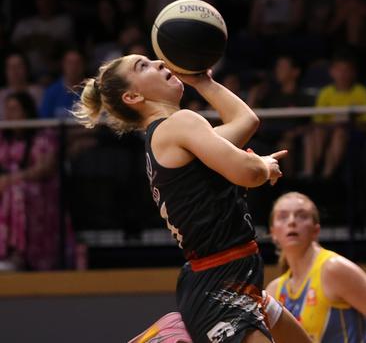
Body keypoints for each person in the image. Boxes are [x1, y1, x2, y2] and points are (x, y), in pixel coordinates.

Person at [72, 54, 311, 343]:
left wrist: (203, 81)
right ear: (133, 96)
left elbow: (245, 121)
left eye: (152, 59)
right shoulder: (179, 124)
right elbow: (247, 173)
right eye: (143, 66)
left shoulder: (174, 134)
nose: (159, 63)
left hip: (232, 280)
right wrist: (262, 166)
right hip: (219, 285)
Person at [266, 192, 366, 343]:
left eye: (301, 215)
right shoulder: (274, 291)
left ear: (316, 230)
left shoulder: (333, 269)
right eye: (283, 216)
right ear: (273, 233)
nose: (292, 221)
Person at [0, 91, 61, 271]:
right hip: (6, 187)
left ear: (26, 112)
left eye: (15, 110)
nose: (11, 115)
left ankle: (16, 255)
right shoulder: (3, 138)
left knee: (15, 192)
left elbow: (46, 168)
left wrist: (12, 179)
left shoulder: (43, 136)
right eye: (8, 110)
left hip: (39, 190)